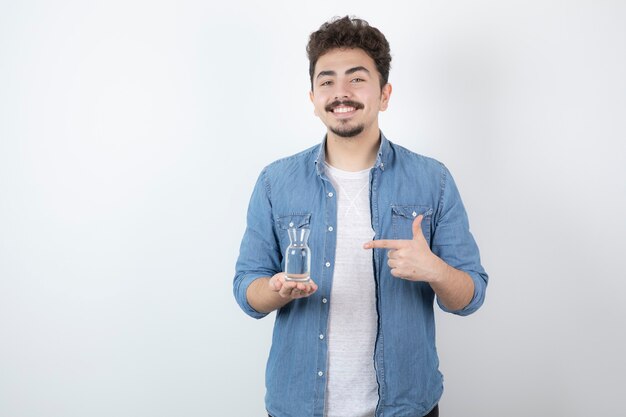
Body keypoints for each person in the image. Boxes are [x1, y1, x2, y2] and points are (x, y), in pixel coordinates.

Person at [233, 16, 488, 417]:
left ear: (384, 94)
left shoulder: (432, 180)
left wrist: (434, 270)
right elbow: (247, 290)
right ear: (313, 98)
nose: (341, 93)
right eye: (327, 81)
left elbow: (470, 296)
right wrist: (276, 289)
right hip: (298, 405)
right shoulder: (274, 182)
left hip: (405, 407)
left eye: (356, 79)